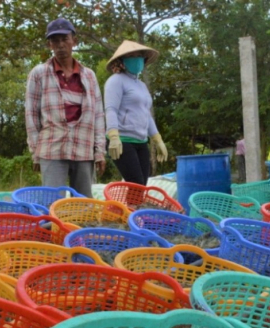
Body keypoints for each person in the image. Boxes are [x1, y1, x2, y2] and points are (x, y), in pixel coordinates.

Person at [25, 18, 106, 197]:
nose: (60, 45)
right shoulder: (39, 74)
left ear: (74, 41)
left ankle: (83, 227)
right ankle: (53, 226)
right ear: (49, 45)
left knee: (84, 206)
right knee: (52, 205)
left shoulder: (89, 76)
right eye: (55, 41)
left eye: (64, 39)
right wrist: (35, 152)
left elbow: (98, 116)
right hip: (52, 148)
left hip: (83, 149)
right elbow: (31, 116)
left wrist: (99, 151)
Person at [104, 40, 167, 185]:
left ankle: (132, 208)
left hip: (141, 141)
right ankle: (131, 208)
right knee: (136, 183)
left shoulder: (142, 86)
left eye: (139, 55)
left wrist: (157, 139)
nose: (136, 58)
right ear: (122, 61)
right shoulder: (116, 81)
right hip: (123, 141)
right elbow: (111, 109)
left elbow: (146, 114)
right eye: (132, 56)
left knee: (141, 186)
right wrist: (113, 136)